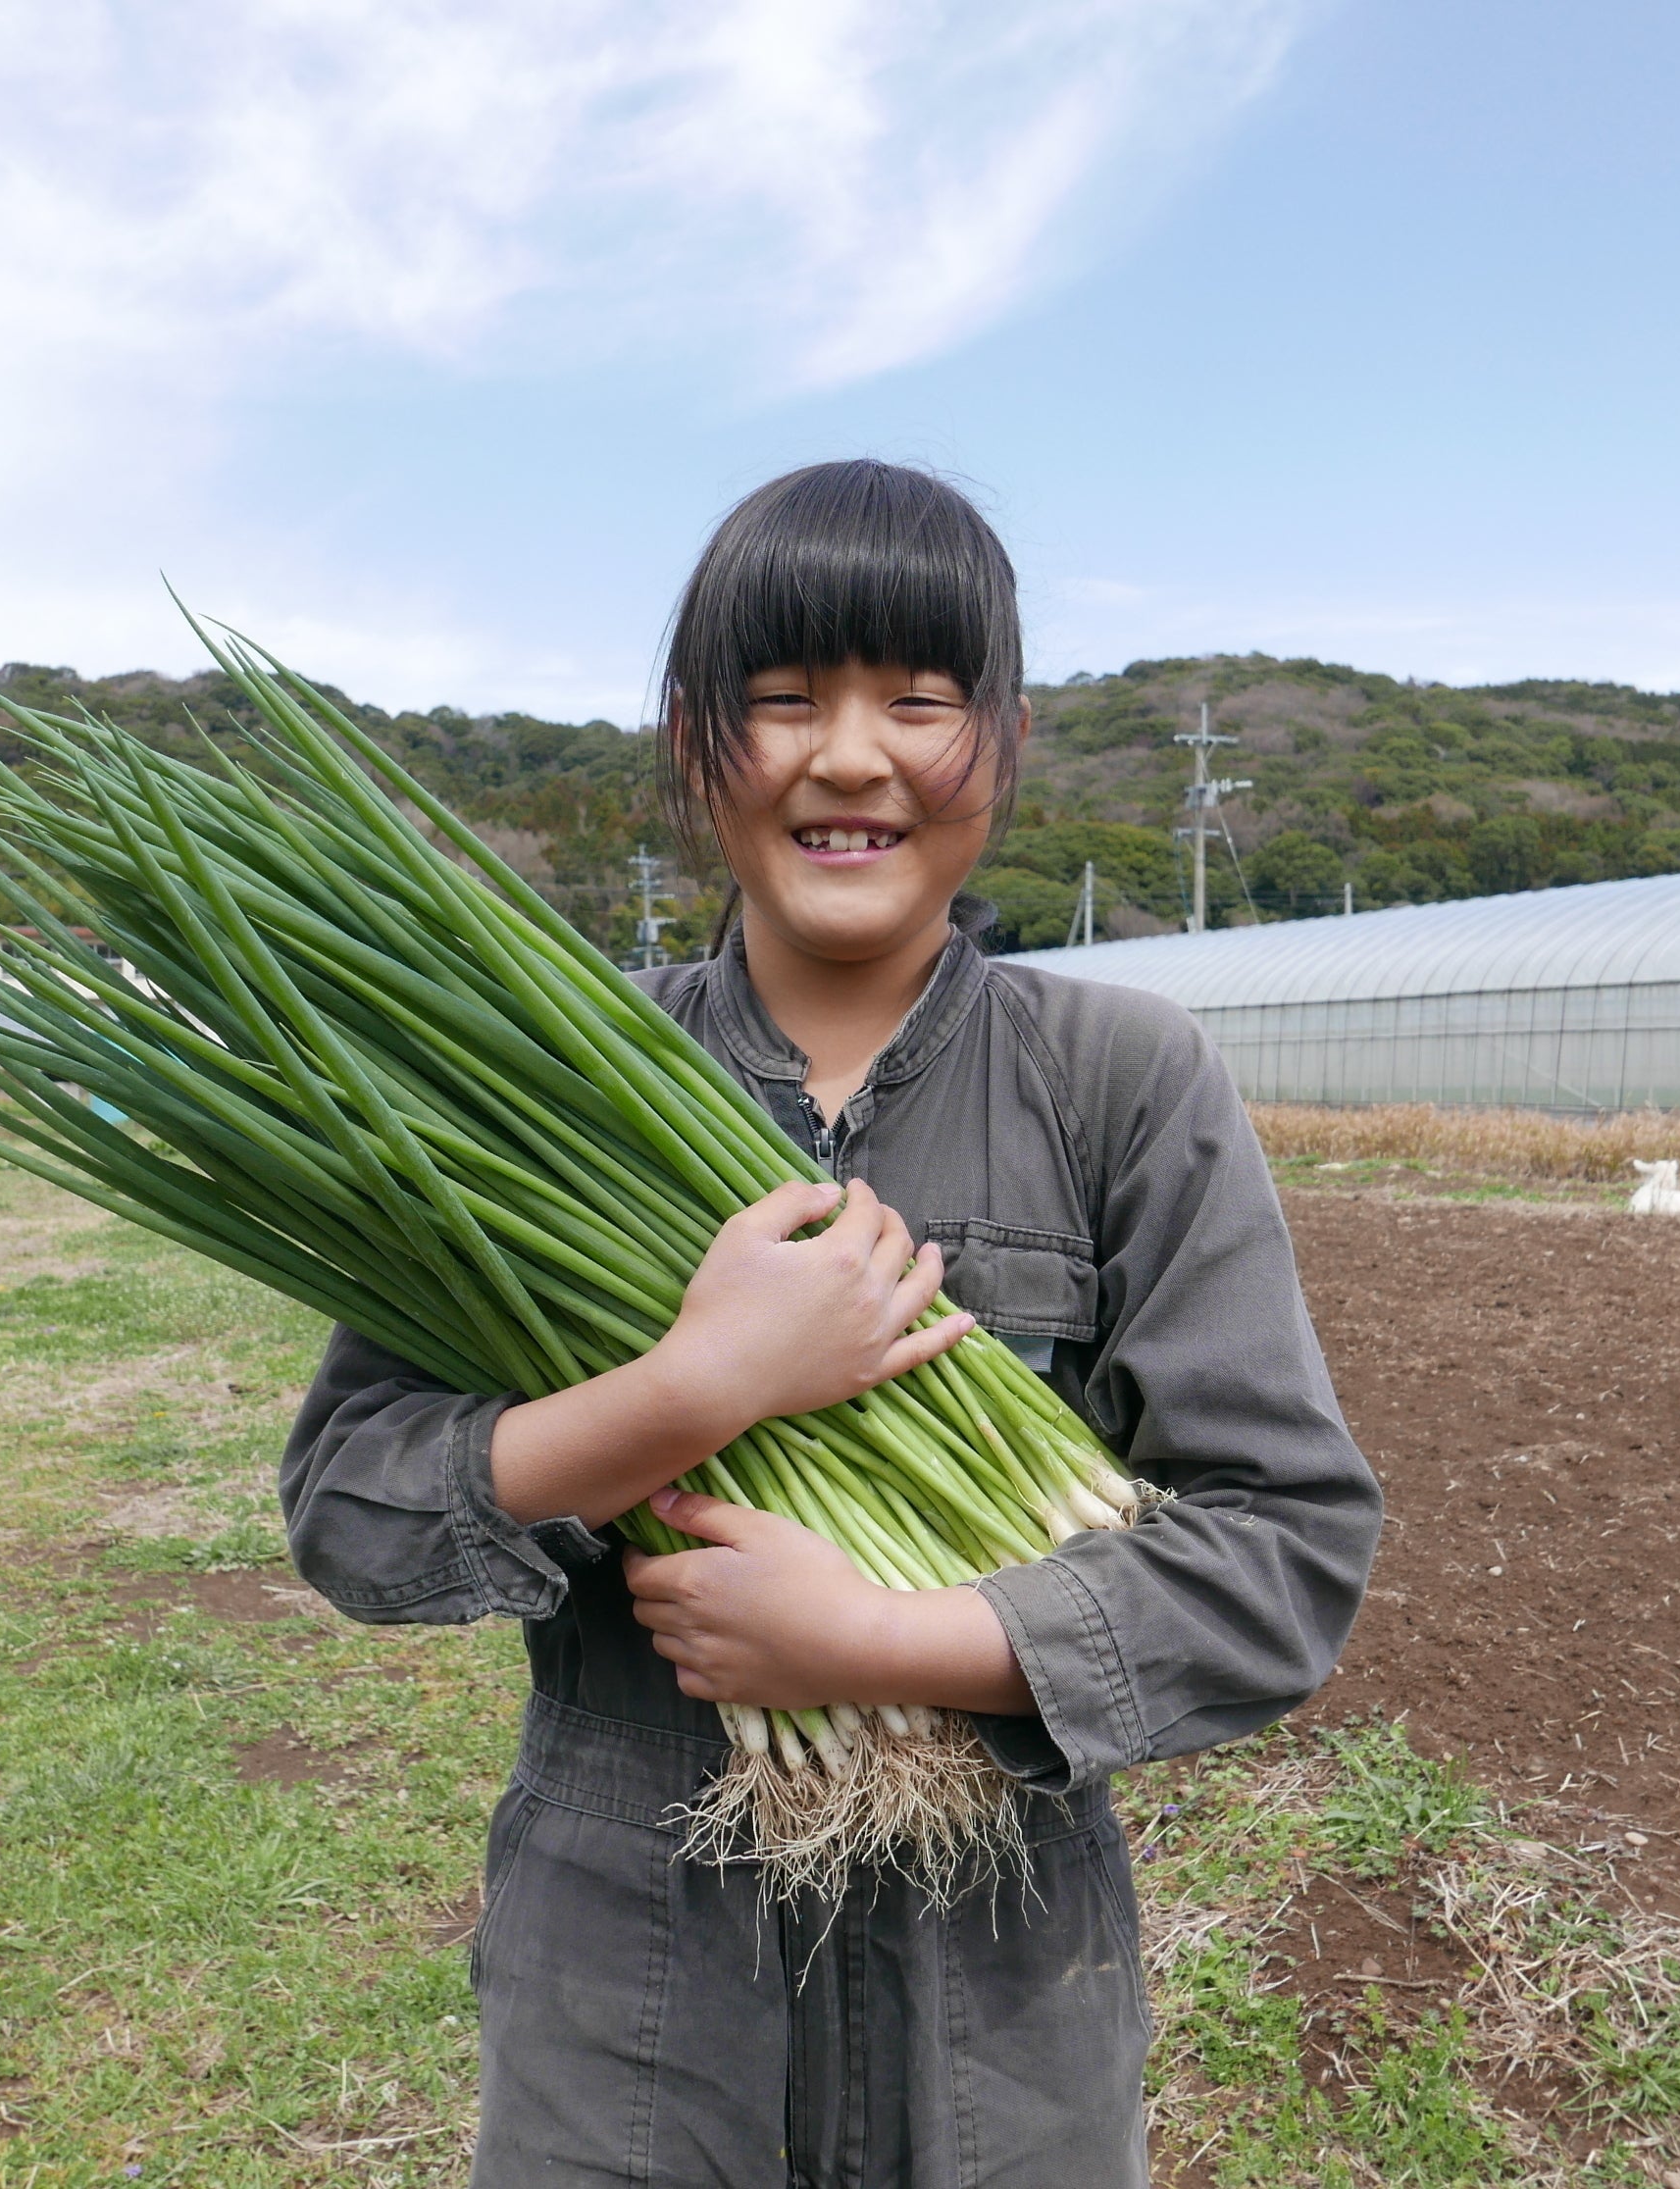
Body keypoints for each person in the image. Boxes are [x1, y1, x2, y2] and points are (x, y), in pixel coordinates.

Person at [283, 459, 1382, 2188]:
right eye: (782, 701)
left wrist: (880, 1644)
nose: (848, 755)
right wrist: (694, 1385)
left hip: (1005, 2014)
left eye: (917, 703)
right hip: (624, 2006)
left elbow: (1283, 1561)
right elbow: (352, 1513)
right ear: (692, 740)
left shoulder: (1117, 1078)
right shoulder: (534, 1090)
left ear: (1004, 742)